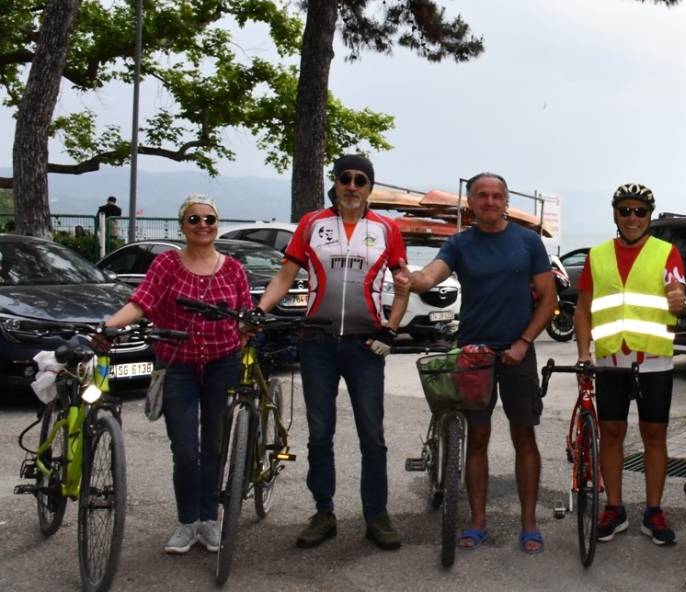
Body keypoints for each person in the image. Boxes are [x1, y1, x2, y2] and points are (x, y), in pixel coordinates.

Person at [397, 172, 557, 555]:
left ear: (505, 201)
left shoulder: (527, 242)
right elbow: (430, 275)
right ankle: (478, 522)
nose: (489, 201)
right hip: (473, 354)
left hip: (517, 352)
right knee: (478, 438)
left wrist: (523, 342)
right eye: (481, 195)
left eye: (496, 195)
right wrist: (412, 280)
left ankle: (529, 524)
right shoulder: (459, 243)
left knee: (524, 437)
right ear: (470, 202)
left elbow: (549, 300)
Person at [257, 154, 409, 550]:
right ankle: (323, 512)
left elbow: (403, 284)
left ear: (370, 187)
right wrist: (257, 312)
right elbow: (285, 276)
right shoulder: (312, 224)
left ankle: (376, 514)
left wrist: (391, 330)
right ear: (336, 183)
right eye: (346, 178)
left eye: (361, 180)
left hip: (366, 344)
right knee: (320, 435)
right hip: (317, 341)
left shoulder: (387, 228)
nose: (353, 187)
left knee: (372, 436)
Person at [101, 193, 250, 554]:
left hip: (222, 362)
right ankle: (188, 522)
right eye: (194, 219)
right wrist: (108, 326)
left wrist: (250, 335)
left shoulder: (232, 268)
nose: (203, 226)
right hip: (177, 364)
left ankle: (209, 519)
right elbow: (142, 302)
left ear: (218, 225)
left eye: (209, 219)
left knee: (214, 444)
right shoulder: (166, 264)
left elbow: (245, 315)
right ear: (182, 226)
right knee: (184, 447)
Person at [575, 183, 686, 546]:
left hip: (654, 359)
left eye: (640, 211)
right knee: (611, 434)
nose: (632, 218)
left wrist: (678, 301)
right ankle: (615, 508)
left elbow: (677, 300)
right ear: (615, 214)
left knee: (654, 435)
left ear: (650, 216)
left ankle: (654, 510)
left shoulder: (667, 252)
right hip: (610, 359)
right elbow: (583, 308)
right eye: (625, 211)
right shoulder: (597, 254)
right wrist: (582, 354)